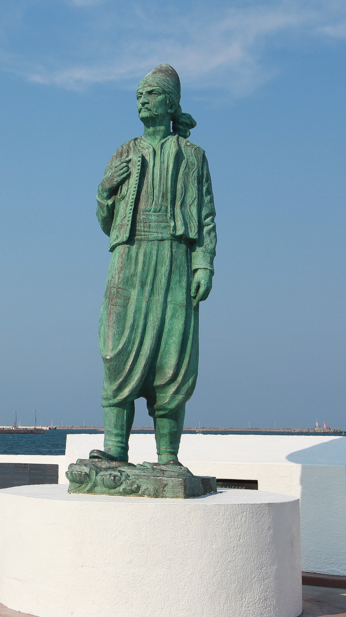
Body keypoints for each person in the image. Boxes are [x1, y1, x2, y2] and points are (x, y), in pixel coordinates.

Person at [92, 64, 217, 466]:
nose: (142, 100)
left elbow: (208, 217)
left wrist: (204, 264)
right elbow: (106, 221)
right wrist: (106, 189)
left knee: (172, 354)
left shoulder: (194, 157)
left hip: (175, 258)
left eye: (150, 93)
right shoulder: (123, 152)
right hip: (130, 256)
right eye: (139, 95)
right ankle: (115, 448)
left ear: (171, 101)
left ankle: (168, 457)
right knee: (118, 347)